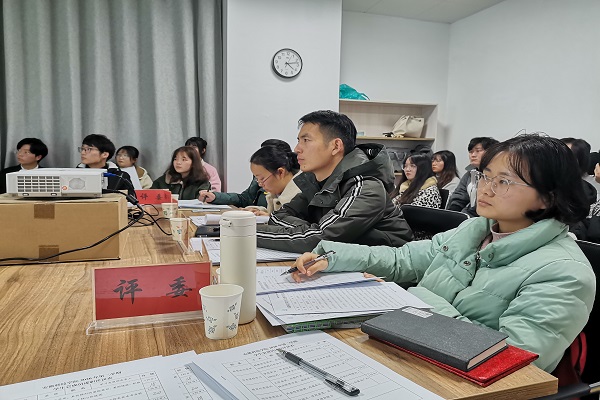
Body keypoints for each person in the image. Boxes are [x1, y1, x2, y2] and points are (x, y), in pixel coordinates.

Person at [291, 134, 595, 374]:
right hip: (416, 352)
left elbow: (513, 359)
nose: (485, 189)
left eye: (503, 181)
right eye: (484, 176)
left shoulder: (564, 272)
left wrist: (414, 300)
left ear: (547, 198)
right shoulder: (474, 230)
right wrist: (332, 257)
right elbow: (403, 259)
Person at [256, 110, 413, 253]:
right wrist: (311, 230)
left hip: (386, 271)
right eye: (298, 140)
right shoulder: (317, 183)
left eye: (306, 140)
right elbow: (278, 216)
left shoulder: (367, 186)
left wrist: (248, 233)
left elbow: (319, 239)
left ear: (336, 146)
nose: (297, 149)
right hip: (345, 263)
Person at [198, 139, 291, 207]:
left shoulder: (295, 192)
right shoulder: (261, 177)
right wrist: (216, 197)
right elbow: (245, 198)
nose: (260, 183)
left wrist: (267, 215)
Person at [446, 137, 499, 215]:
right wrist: (452, 214)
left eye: (478, 151)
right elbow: (459, 195)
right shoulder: (470, 174)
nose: (473, 155)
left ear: (491, 152)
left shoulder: (497, 175)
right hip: (467, 216)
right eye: (471, 152)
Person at [245, 143, 302, 216]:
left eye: (262, 179)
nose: (260, 184)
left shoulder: (299, 196)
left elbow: (292, 220)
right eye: (257, 179)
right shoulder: (275, 193)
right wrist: (258, 211)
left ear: (280, 172)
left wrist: (270, 218)